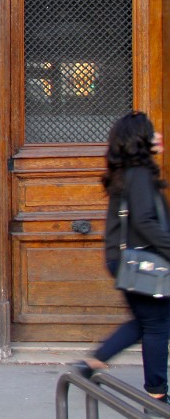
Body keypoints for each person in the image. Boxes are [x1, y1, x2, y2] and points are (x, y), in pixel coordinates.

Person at [73, 111, 170, 408]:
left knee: (145, 321)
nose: (159, 137)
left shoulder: (128, 173)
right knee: (157, 325)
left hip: (125, 259)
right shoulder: (139, 174)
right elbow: (144, 222)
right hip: (142, 261)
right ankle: (157, 396)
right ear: (140, 138)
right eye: (153, 132)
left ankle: (93, 362)